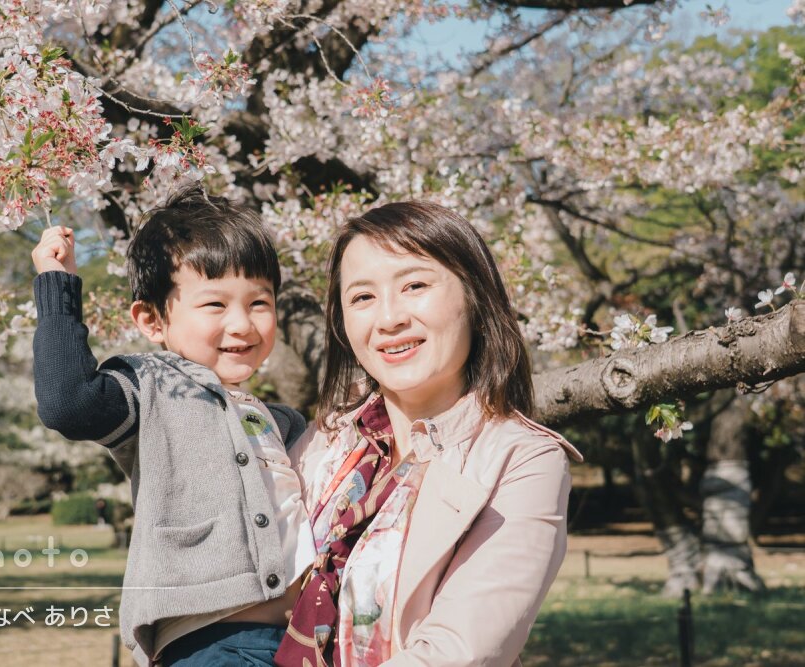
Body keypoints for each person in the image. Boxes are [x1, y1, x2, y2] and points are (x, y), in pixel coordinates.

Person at [277, 201, 583, 667]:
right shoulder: (326, 443)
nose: (389, 318)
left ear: (474, 297)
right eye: (362, 297)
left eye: (414, 285)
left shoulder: (521, 459)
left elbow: (459, 650)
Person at [31, 185, 314, 666]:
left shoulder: (278, 421)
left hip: (295, 645)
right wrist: (57, 286)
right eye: (215, 305)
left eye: (259, 303)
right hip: (212, 647)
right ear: (152, 320)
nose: (243, 324)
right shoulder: (153, 387)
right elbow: (68, 404)